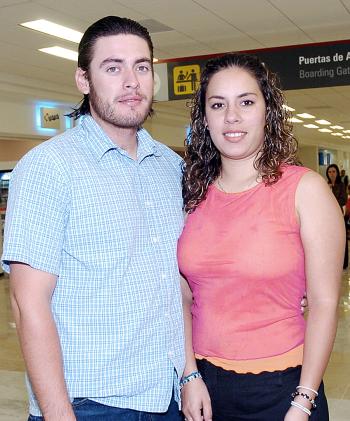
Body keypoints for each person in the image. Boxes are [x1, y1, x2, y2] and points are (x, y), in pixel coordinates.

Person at [1, 16, 185, 421]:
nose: (131, 81)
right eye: (113, 67)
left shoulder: (170, 168)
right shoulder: (48, 168)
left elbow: (178, 285)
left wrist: (188, 377)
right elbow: (28, 302)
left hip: (166, 395)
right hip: (89, 404)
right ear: (84, 80)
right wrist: (58, 413)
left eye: (141, 66)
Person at [177, 53, 344, 421]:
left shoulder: (305, 190)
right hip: (204, 389)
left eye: (246, 102)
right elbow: (181, 298)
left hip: (284, 390)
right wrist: (188, 374)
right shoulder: (191, 195)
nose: (231, 117)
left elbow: (323, 303)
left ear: (267, 111)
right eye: (218, 104)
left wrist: (303, 400)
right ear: (205, 117)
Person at [326, 164, 348, 269]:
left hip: (339, 215)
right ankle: (333, 261)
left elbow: (343, 199)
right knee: (331, 239)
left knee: (341, 239)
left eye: (334, 171)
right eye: (330, 172)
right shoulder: (326, 184)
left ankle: (344, 263)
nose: (332, 174)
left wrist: (331, 198)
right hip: (329, 216)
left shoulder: (341, 185)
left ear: (337, 173)